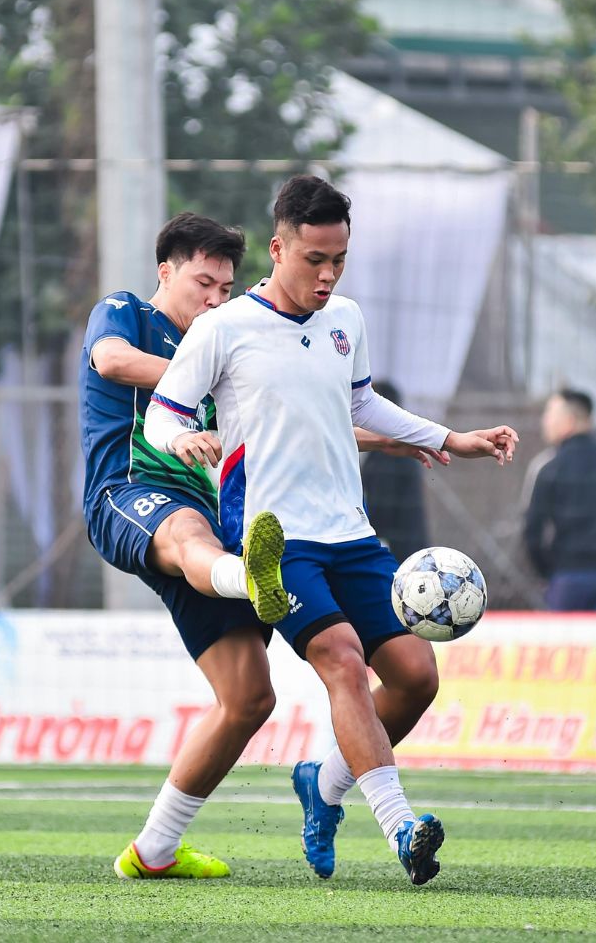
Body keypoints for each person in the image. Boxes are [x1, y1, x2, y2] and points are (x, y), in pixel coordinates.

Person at [144, 176, 518, 886]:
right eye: (314, 259)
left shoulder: (345, 317)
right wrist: (182, 439)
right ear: (278, 248)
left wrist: (451, 438)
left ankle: (322, 785)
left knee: (415, 676)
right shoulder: (223, 328)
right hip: (273, 540)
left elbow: (361, 402)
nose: (328, 275)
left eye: (339, 259)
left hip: (350, 532)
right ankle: (401, 826)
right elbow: (163, 414)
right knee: (342, 659)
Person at [79, 211, 444, 882]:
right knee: (189, 534)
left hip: (224, 522)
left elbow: (297, 411)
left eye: (225, 289)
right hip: (131, 493)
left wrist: (393, 439)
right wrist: (210, 366)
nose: (214, 299)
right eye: (203, 283)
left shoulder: (231, 337)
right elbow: (111, 360)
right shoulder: (128, 311)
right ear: (166, 271)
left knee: (249, 698)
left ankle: (153, 850)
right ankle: (248, 576)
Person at [522, 388, 596, 611]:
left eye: (549, 414)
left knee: (566, 635)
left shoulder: (549, 468)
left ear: (569, 421)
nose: (544, 421)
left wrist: (549, 573)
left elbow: (532, 532)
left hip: (569, 579)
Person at [361, 380, 431, 562]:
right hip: (408, 543)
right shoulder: (393, 448)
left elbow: (381, 508)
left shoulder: (389, 454)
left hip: (398, 549)